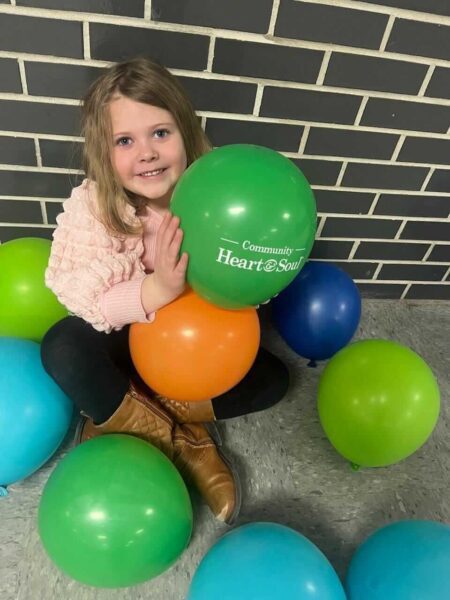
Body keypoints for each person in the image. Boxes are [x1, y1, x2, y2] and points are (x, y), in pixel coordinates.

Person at [41, 57, 290, 526]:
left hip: (196, 346)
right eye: (125, 141)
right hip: (128, 333)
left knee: (274, 380)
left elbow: (248, 284)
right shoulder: (97, 206)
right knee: (62, 347)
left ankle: (136, 410)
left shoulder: (219, 197)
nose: (147, 153)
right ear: (104, 153)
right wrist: (154, 290)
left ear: (186, 135)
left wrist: (242, 277)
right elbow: (79, 292)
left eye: (160, 133)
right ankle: (180, 441)